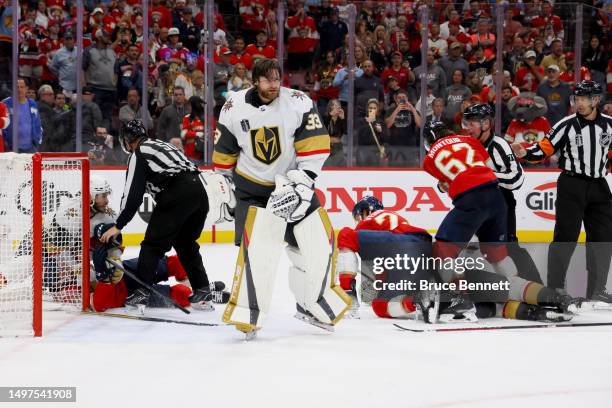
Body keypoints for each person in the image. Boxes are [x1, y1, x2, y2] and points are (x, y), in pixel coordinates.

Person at [213, 58, 350, 337]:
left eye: (277, 79)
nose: (274, 85)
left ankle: (313, 303)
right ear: (256, 81)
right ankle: (247, 314)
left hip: (290, 186)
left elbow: (315, 147)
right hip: (252, 190)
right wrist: (223, 184)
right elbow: (225, 153)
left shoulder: (298, 101)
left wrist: (301, 183)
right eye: (267, 80)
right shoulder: (233, 106)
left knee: (318, 243)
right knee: (257, 253)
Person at [423, 121, 576, 320]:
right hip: (496, 197)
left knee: (442, 248)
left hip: (471, 200)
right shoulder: (469, 140)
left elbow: (446, 183)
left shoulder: (429, 157)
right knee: (499, 258)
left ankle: (452, 300)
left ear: (430, 140)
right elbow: (485, 167)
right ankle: (552, 296)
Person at [336, 196, 574, 323]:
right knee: (492, 286)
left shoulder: (369, 224)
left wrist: (355, 291)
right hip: (428, 251)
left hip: (403, 257)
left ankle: (415, 303)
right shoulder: (398, 219)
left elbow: (374, 279)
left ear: (365, 212)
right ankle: (548, 299)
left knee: (378, 304)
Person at [99, 119, 234, 311]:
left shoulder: (139, 154)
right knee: (186, 244)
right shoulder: (162, 144)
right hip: (201, 191)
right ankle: (202, 289)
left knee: (152, 245)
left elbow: (132, 196)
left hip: (176, 193)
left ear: (127, 141)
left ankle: (141, 293)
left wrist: (118, 225)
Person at [512, 81, 612, 302]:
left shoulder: (609, 125)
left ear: (596, 100)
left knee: (603, 239)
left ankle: (597, 291)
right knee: (565, 237)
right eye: (576, 99)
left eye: (584, 99)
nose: (579, 103)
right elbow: (544, 149)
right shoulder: (565, 125)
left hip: (600, 187)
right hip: (571, 184)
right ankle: (555, 289)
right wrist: (524, 152)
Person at [88, 176, 228, 312]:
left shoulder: (106, 215)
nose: (106, 201)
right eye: (103, 196)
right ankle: (202, 297)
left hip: (125, 270)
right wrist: (103, 276)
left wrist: (114, 258)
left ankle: (203, 289)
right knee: (180, 294)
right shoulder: (74, 288)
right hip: (127, 292)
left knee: (177, 262)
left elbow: (115, 244)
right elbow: (98, 304)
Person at [1, 79, 42, 153]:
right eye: (17, 87)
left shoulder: (32, 104)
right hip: (11, 149)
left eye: (21, 87)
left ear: (26, 88)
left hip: (31, 148)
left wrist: (37, 140)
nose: (19, 89)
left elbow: (38, 123)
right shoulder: (5, 104)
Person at [180, 96, 205, 164]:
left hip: (206, 155)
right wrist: (197, 134)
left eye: (190, 105)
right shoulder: (187, 118)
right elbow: (183, 134)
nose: (188, 107)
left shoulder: (206, 118)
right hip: (191, 155)